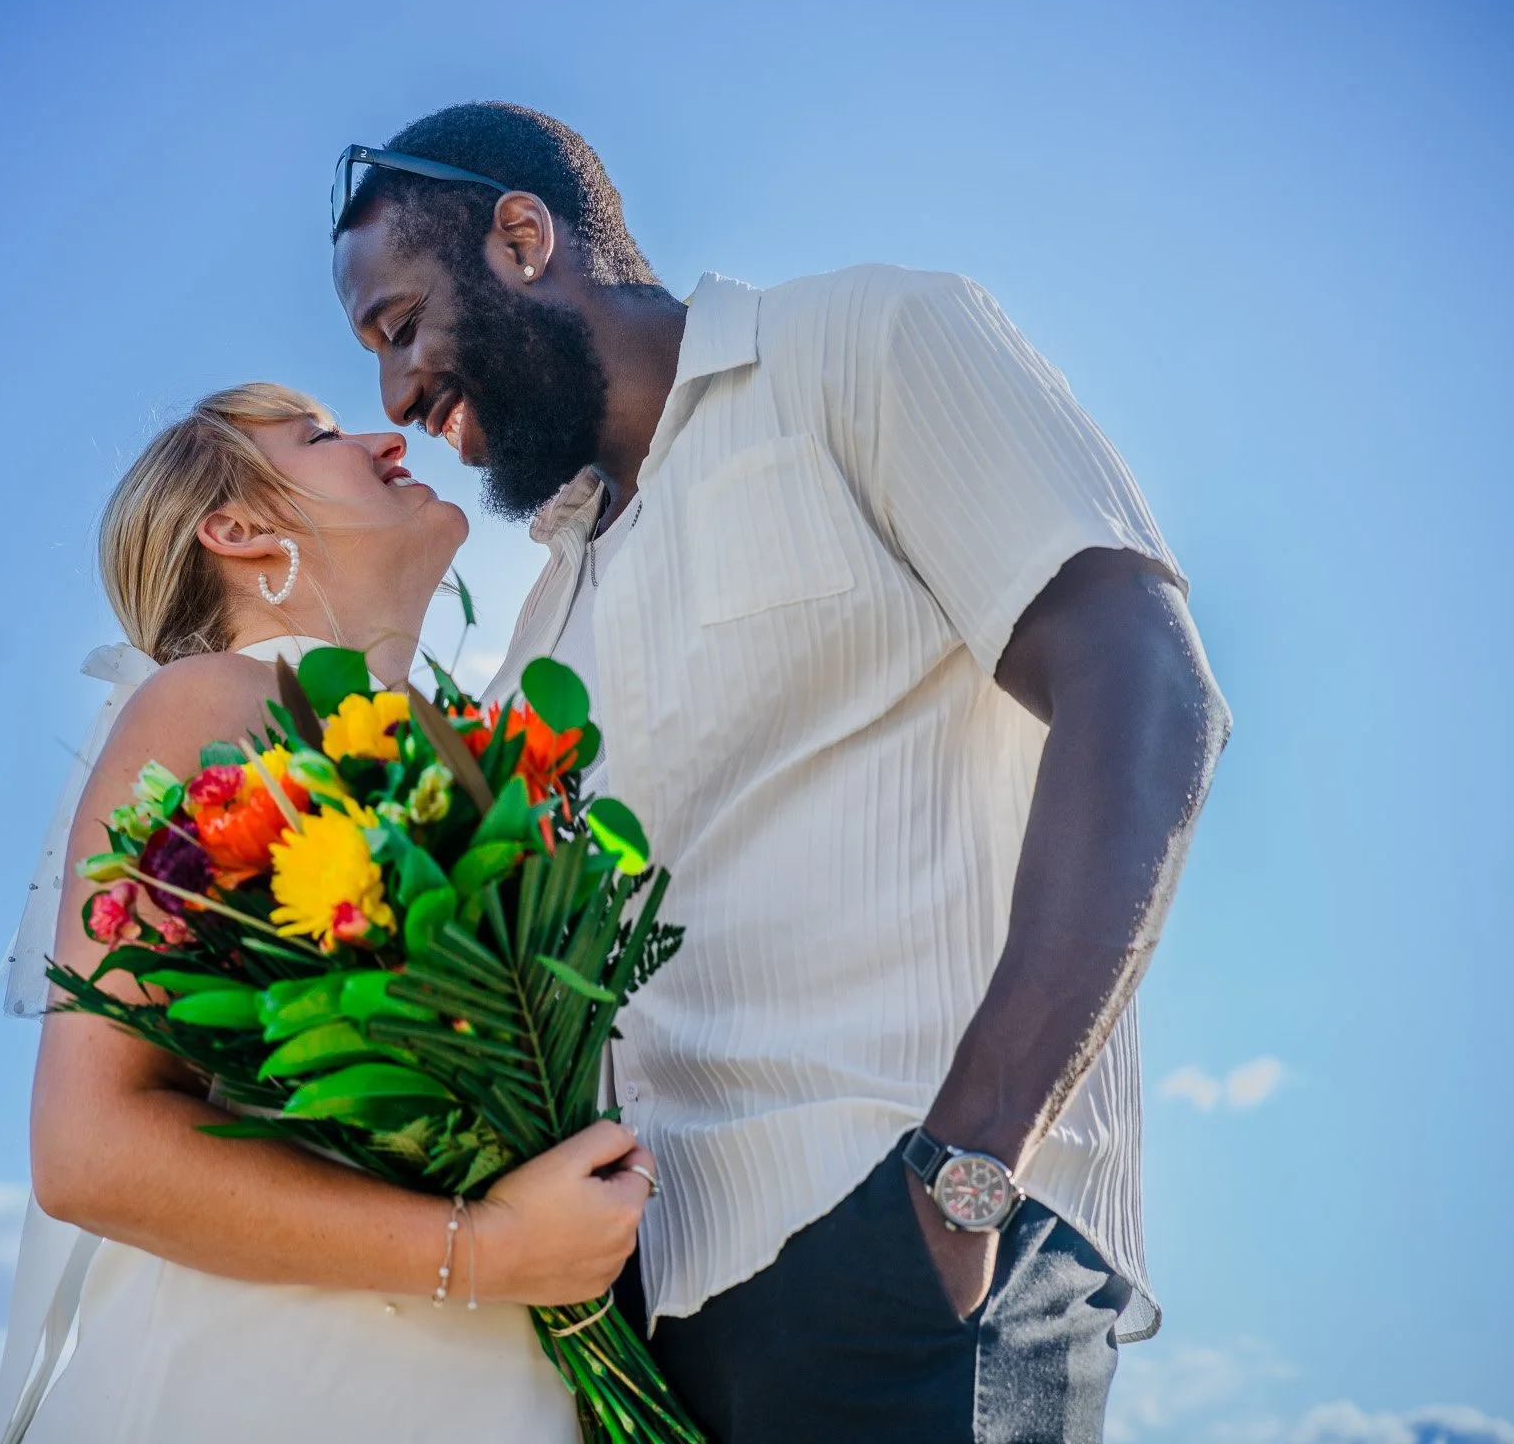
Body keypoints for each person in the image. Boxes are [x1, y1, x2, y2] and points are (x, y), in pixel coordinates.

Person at [331, 105, 1232, 1443]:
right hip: (657, 1333)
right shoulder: (539, 631)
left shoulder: (865, 344)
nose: (395, 395)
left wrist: (966, 1169)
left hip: (909, 1247)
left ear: (523, 239)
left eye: (400, 325)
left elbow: (1146, 690)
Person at [0, 383, 658, 1444]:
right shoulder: (215, 702)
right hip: (264, 1386)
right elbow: (88, 1148)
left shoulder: (481, 763)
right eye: (325, 437)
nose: (389, 437)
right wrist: (481, 1251)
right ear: (239, 530)